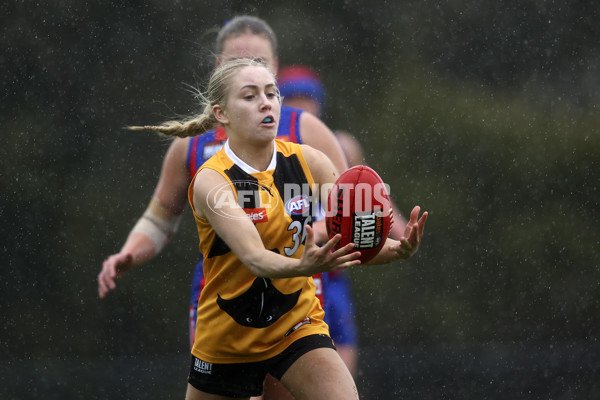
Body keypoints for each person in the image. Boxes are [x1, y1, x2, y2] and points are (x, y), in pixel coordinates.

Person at [133, 57, 427, 400]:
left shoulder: (310, 161)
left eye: (271, 94)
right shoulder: (211, 180)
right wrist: (303, 266)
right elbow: (255, 258)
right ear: (221, 114)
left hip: (297, 327)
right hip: (228, 340)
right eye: (249, 96)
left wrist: (393, 250)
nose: (265, 102)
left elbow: (350, 243)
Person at [97, 15, 348, 400]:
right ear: (219, 70)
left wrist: (324, 230)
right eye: (237, 64)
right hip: (225, 307)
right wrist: (131, 251)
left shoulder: (306, 133)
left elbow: (350, 209)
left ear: (276, 68)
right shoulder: (192, 147)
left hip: (296, 301)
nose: (253, 74)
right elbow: (159, 220)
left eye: (262, 65)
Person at [277, 65, 410, 377]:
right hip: (291, 271)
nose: (301, 105)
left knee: (342, 377)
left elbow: (369, 194)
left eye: (307, 98)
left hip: (334, 276)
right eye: (292, 97)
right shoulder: (270, 150)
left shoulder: (341, 144)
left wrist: (397, 228)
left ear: (319, 102)